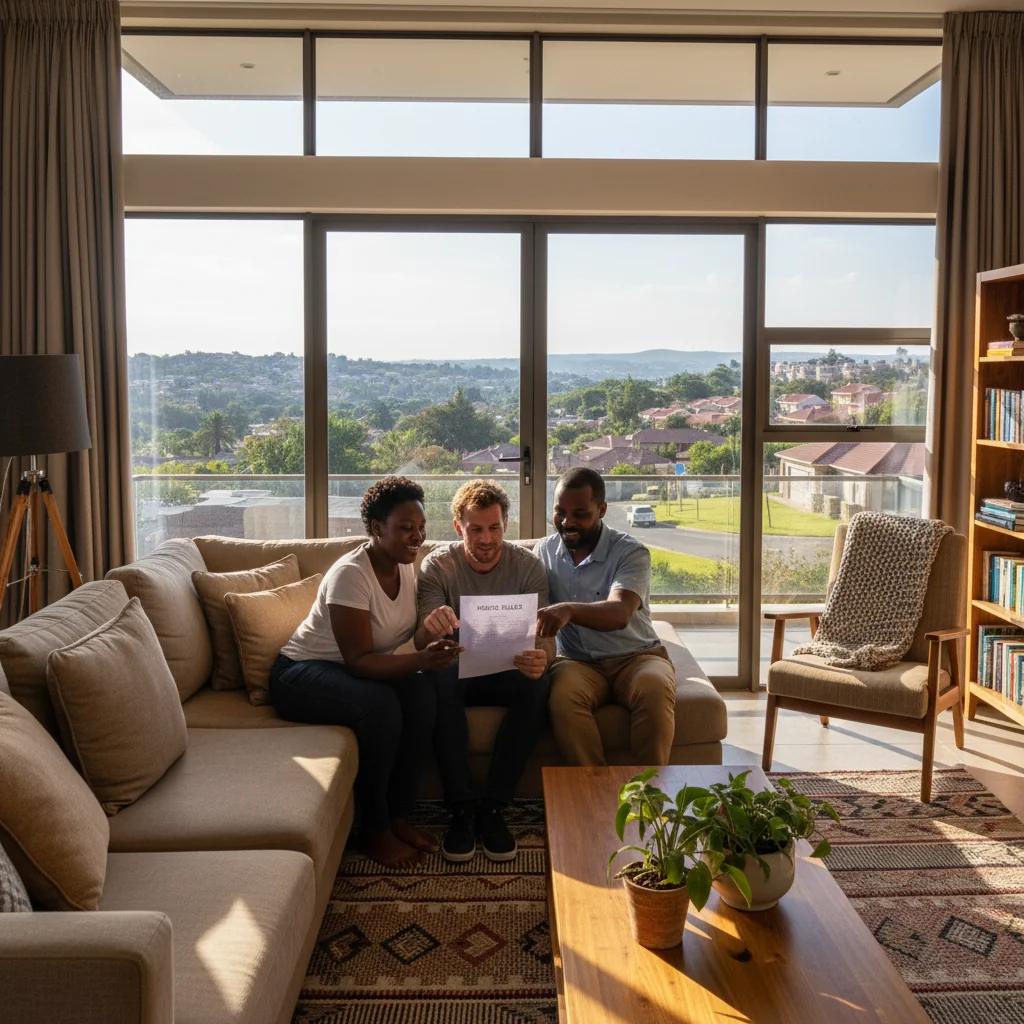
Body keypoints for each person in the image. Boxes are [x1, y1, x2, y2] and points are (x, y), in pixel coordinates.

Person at [269, 477, 461, 868]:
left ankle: (398, 816)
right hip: (301, 674)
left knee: (424, 696)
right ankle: (373, 830)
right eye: (406, 528)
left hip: (351, 672)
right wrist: (423, 661)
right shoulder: (350, 575)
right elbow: (358, 660)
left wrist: (436, 642)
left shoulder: (407, 566)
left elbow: (404, 642)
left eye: (421, 528)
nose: (417, 537)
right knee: (380, 707)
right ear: (376, 529)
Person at [416, 480, 552, 864]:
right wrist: (433, 624)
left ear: (506, 523)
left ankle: (493, 807)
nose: (486, 538)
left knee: (540, 682)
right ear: (459, 527)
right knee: (437, 676)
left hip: (507, 671)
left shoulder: (528, 567)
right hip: (457, 673)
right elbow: (418, 641)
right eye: (475, 529)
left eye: (493, 527)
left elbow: (546, 639)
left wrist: (542, 657)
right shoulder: (437, 565)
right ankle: (461, 808)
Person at [533, 467, 677, 767]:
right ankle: (595, 794)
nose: (567, 522)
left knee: (654, 688)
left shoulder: (631, 552)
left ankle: (647, 799)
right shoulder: (543, 551)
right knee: (561, 698)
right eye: (560, 512)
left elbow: (620, 613)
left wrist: (568, 609)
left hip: (637, 657)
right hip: (576, 661)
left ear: (602, 510)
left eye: (580, 514)